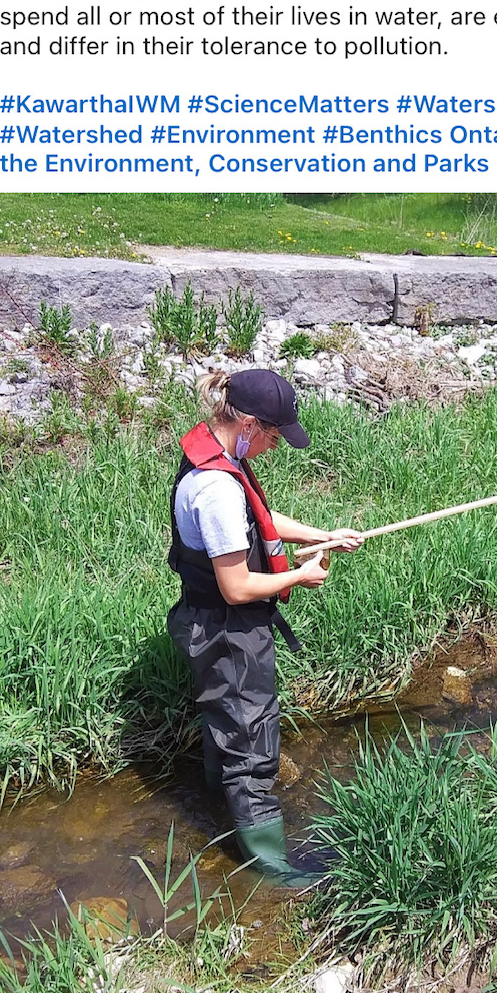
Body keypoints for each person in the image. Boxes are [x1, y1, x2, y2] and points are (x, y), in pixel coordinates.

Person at [167, 367, 362, 887]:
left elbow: (259, 522)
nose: (276, 446)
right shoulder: (216, 489)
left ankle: (217, 806)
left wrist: (322, 535)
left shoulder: (220, 454)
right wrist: (300, 576)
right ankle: (270, 869)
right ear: (249, 424)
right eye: (274, 436)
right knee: (251, 740)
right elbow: (236, 586)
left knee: (228, 722)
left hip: (212, 621)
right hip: (227, 630)